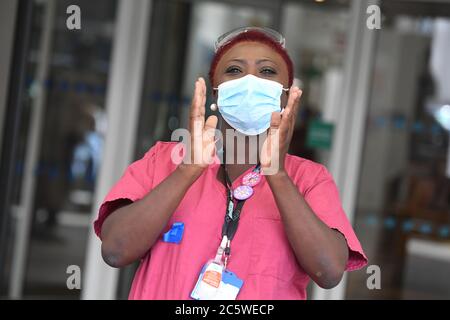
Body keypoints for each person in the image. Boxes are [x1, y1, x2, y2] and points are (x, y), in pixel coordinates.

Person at [94, 27, 367, 300]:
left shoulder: (309, 179)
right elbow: (116, 250)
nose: (250, 81)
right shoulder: (164, 160)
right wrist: (187, 171)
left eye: (267, 72)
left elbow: (329, 273)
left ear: (286, 97)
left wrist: (277, 174)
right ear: (216, 92)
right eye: (234, 70)